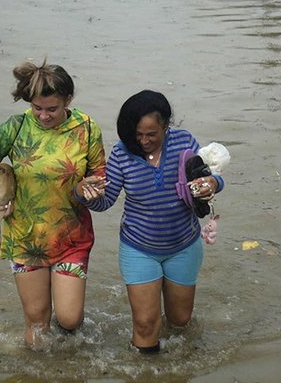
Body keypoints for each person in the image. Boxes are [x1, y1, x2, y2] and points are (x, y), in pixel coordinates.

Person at [0, 60, 106, 348]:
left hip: (71, 236)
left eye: (52, 109)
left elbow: (100, 174)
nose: (43, 116)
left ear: (68, 100)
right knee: (37, 320)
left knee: (70, 319)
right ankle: (37, 380)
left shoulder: (86, 127)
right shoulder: (16, 126)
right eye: (37, 108)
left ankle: (69, 357)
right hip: (24, 236)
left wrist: (89, 188)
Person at [86, 90, 224, 354]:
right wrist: (86, 194)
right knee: (146, 323)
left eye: (151, 134)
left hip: (184, 244)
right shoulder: (121, 153)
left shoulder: (184, 142)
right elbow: (105, 202)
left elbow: (210, 178)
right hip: (139, 248)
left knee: (180, 320)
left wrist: (213, 183)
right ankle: (147, 382)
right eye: (137, 134)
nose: (144, 141)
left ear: (166, 125)